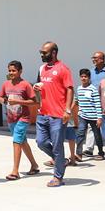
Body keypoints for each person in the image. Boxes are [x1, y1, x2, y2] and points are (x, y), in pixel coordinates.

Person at [34, 41, 74, 187]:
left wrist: (67, 110)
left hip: (58, 115)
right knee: (41, 142)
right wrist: (36, 88)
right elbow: (41, 85)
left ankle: (58, 177)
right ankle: (61, 161)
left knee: (57, 146)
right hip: (43, 113)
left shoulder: (63, 69)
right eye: (41, 53)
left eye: (44, 53)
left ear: (54, 52)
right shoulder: (42, 68)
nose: (42, 55)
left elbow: (70, 89)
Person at [0, 60, 40, 180]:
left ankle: (15, 171)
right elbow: (0, 97)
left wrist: (18, 101)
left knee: (16, 141)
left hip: (23, 118)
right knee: (22, 141)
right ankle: (34, 165)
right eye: (10, 70)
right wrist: (4, 100)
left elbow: (34, 101)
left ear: (20, 71)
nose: (11, 72)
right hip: (11, 118)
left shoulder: (26, 85)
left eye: (14, 70)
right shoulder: (5, 84)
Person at [75, 68, 105, 161]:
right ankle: (79, 154)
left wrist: (99, 118)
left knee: (97, 135)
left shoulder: (93, 89)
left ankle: (101, 153)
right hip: (83, 116)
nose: (84, 78)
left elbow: (97, 104)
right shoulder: (79, 88)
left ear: (89, 78)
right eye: (82, 76)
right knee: (80, 134)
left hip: (93, 117)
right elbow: (78, 100)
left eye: (86, 77)